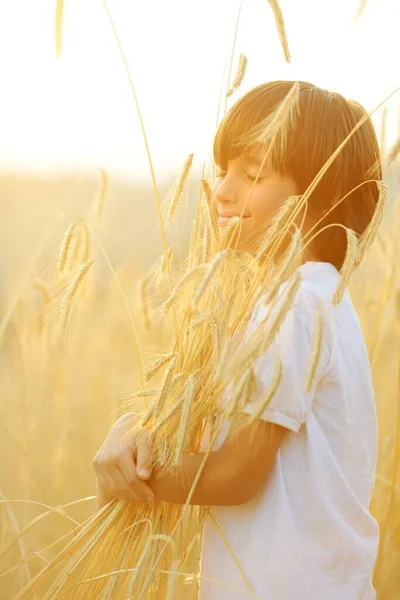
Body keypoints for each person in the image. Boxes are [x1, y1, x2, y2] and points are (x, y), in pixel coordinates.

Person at [92, 81, 381, 599]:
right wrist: (136, 432)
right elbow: (208, 439)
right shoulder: (315, 300)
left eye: (251, 175)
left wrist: (132, 482)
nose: (221, 190)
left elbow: (237, 472)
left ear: (316, 196)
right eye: (224, 169)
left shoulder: (294, 308)